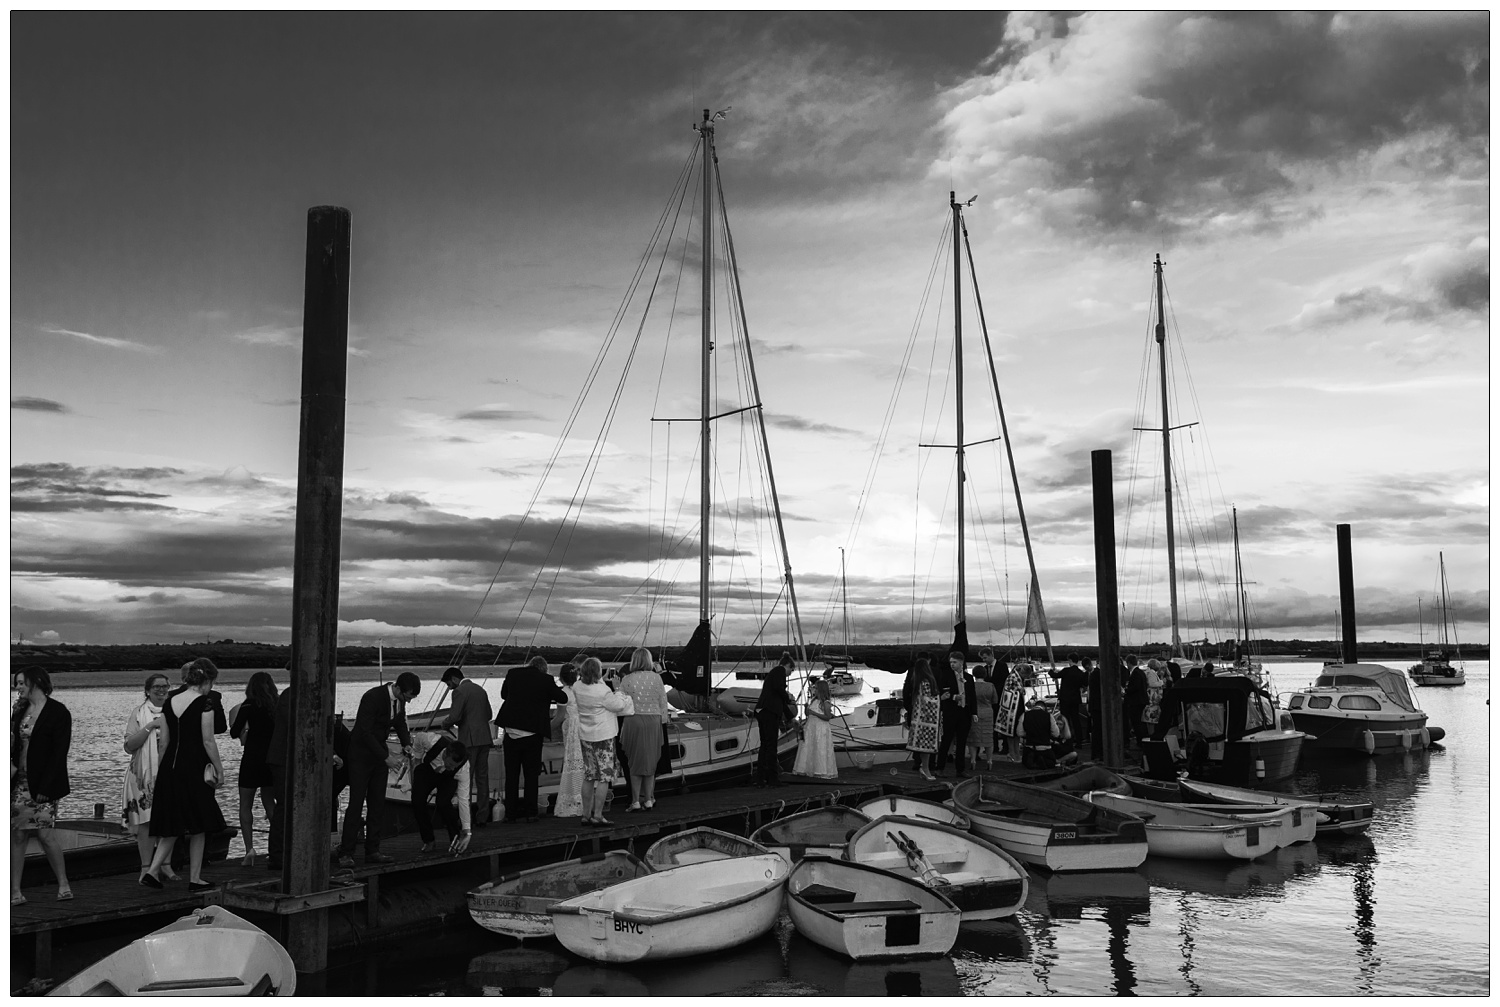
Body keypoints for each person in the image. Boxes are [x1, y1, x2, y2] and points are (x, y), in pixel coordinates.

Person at [143, 659, 226, 891]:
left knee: (173, 820)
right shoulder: (205, 703)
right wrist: (219, 769)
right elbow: (208, 740)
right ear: (207, 680)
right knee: (200, 824)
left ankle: (152, 870)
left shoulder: (170, 701)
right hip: (195, 765)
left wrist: (162, 771)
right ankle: (195, 878)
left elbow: (164, 742)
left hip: (171, 765)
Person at [336, 672, 420, 867]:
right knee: (356, 804)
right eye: (408, 696)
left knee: (377, 804)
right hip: (360, 755)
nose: (409, 700)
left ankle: (372, 850)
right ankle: (345, 853)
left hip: (379, 755)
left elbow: (399, 722)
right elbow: (364, 732)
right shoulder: (372, 697)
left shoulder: (399, 701)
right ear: (398, 688)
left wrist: (406, 743)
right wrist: (386, 758)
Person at [10, 667, 73, 904]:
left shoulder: (58, 712)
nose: (17, 687)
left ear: (35, 682)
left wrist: (47, 787)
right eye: (16, 683)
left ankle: (64, 884)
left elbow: (59, 753)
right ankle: (15, 891)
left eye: (21, 682)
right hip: (19, 782)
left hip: (44, 782)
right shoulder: (19, 711)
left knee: (46, 835)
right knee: (17, 835)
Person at [493, 657, 566, 824]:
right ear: (544, 669)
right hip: (532, 734)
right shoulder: (546, 680)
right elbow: (562, 698)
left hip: (510, 731)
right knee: (531, 775)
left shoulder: (512, 674)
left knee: (511, 775)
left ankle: (511, 814)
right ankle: (531, 813)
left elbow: (504, 695)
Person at [122, 673, 175, 884]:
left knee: (169, 820)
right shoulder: (139, 713)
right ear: (148, 690)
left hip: (169, 773)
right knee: (146, 821)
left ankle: (165, 865)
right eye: (156, 687)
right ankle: (146, 867)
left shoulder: (174, 711)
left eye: (165, 686)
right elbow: (129, 746)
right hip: (141, 776)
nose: (161, 690)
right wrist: (151, 726)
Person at [573, 657, 632, 826]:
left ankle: (586, 814)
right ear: (597, 673)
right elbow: (618, 705)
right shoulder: (603, 691)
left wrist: (602, 681)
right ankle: (598, 814)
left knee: (589, 775)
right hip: (603, 737)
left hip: (586, 735)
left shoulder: (577, 687)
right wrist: (618, 688)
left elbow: (589, 686)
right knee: (605, 777)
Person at [231, 672, 278, 866]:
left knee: (245, 805)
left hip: (251, 758)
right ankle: (276, 846)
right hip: (270, 759)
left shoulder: (248, 705)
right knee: (270, 801)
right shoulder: (276, 706)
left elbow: (234, 732)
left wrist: (247, 729)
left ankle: (249, 848)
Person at [438, 666, 495, 826]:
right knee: (483, 779)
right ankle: (482, 816)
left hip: (468, 741)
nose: (449, 688)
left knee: (466, 779)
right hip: (484, 738)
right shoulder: (480, 690)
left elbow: (455, 716)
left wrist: (444, 723)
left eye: (449, 684)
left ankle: (466, 818)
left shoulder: (459, 691)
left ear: (455, 679)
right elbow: (489, 715)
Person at [616, 647, 671, 811]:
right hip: (654, 721)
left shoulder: (627, 679)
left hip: (634, 720)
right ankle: (648, 799)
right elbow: (663, 702)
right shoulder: (657, 678)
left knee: (634, 763)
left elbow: (621, 704)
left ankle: (635, 801)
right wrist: (663, 722)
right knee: (650, 762)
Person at [410, 733, 471, 854]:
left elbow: (464, 799)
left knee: (443, 802)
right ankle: (429, 840)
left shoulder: (462, 768)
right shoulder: (431, 741)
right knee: (417, 800)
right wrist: (417, 758)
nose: (453, 768)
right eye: (451, 764)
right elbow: (418, 738)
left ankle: (456, 839)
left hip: (448, 778)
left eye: (456, 766)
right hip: (428, 770)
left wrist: (467, 830)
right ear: (445, 755)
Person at [752, 661, 796, 788]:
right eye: (791, 671)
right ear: (788, 666)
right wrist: (787, 696)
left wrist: (791, 718)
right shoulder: (779, 671)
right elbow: (779, 690)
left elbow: (781, 702)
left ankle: (761, 778)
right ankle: (772, 779)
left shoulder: (773, 679)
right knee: (771, 746)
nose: (789, 675)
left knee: (765, 746)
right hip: (769, 713)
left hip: (763, 712)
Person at [550, 664, 585, 819]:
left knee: (571, 761)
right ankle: (582, 798)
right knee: (581, 762)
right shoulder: (580, 689)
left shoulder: (563, 693)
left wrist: (545, 728)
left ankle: (573, 798)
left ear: (562, 677)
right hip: (583, 726)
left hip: (571, 728)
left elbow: (559, 717)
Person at [934, 651, 976, 777]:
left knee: (962, 741)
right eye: (951, 662)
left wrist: (974, 712)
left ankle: (960, 769)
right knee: (946, 739)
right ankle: (940, 767)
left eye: (955, 662)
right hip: (951, 711)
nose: (952, 664)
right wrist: (953, 697)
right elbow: (940, 691)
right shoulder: (946, 676)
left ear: (961, 663)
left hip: (964, 712)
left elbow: (972, 696)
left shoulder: (968, 678)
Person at [792, 677, 837, 779]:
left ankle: (821, 770)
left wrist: (814, 713)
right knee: (809, 747)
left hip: (820, 728)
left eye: (816, 689)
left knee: (820, 748)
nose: (814, 690)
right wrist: (806, 709)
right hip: (811, 727)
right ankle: (807, 769)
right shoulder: (813, 700)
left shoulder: (826, 703)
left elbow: (827, 717)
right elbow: (808, 714)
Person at [904, 658, 940, 781]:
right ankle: (925, 768)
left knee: (923, 745)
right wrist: (941, 698)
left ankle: (923, 767)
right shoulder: (926, 682)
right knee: (927, 745)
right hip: (927, 718)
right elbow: (929, 699)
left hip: (917, 716)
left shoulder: (916, 681)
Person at [1050, 653, 1089, 747]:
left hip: (1065, 699)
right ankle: (1079, 740)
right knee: (1076, 720)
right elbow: (1085, 684)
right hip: (1075, 699)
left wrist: (1050, 671)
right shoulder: (1080, 673)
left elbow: (1055, 675)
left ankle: (1066, 740)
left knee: (1064, 720)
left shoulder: (1066, 671)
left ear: (1070, 660)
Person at [994, 659, 1025, 762]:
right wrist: (1020, 690)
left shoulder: (1017, 678)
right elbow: (1009, 691)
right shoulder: (1012, 677)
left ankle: (1015, 752)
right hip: (1011, 709)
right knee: (1010, 733)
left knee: (1016, 733)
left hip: (1017, 708)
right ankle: (1012, 752)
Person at [970, 664, 999, 770]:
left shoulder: (971, 685)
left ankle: (973, 760)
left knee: (973, 737)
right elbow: (995, 700)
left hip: (974, 712)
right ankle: (989, 760)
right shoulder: (990, 686)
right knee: (988, 737)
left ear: (973, 674)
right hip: (987, 712)